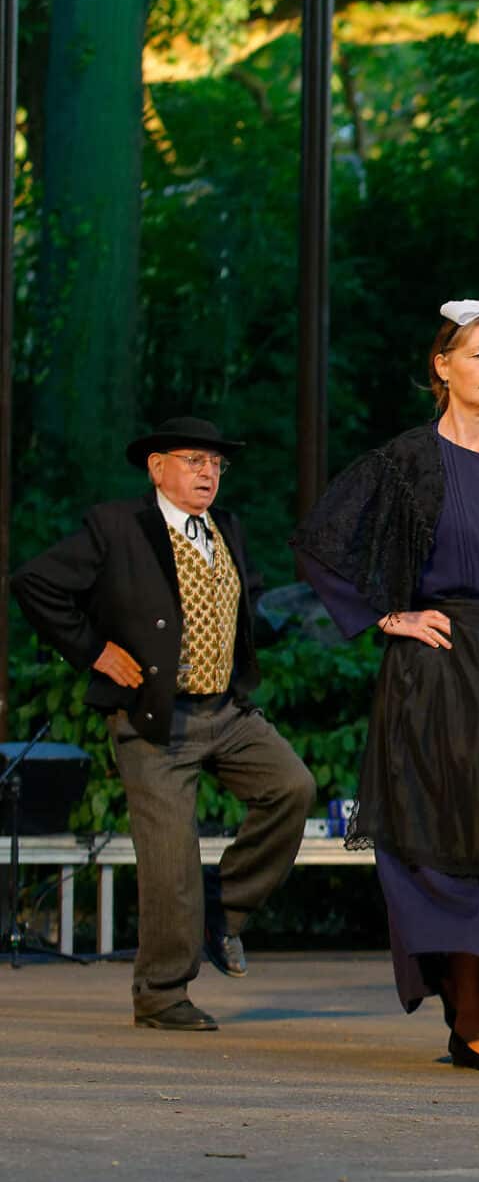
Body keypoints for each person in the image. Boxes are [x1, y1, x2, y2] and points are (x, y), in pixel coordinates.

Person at [292, 299, 479, 1072]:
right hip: (433, 670)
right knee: (445, 837)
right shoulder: (404, 462)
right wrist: (385, 616)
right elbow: (322, 546)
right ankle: (469, 1013)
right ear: (443, 366)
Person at [13, 417, 315, 1031]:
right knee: (169, 862)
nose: (208, 474)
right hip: (155, 720)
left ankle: (221, 909)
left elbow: (246, 604)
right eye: (194, 461)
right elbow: (34, 583)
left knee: (292, 788)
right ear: (157, 468)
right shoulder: (118, 527)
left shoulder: (226, 528)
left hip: (225, 711)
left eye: (216, 465)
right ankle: (160, 994)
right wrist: (94, 650)